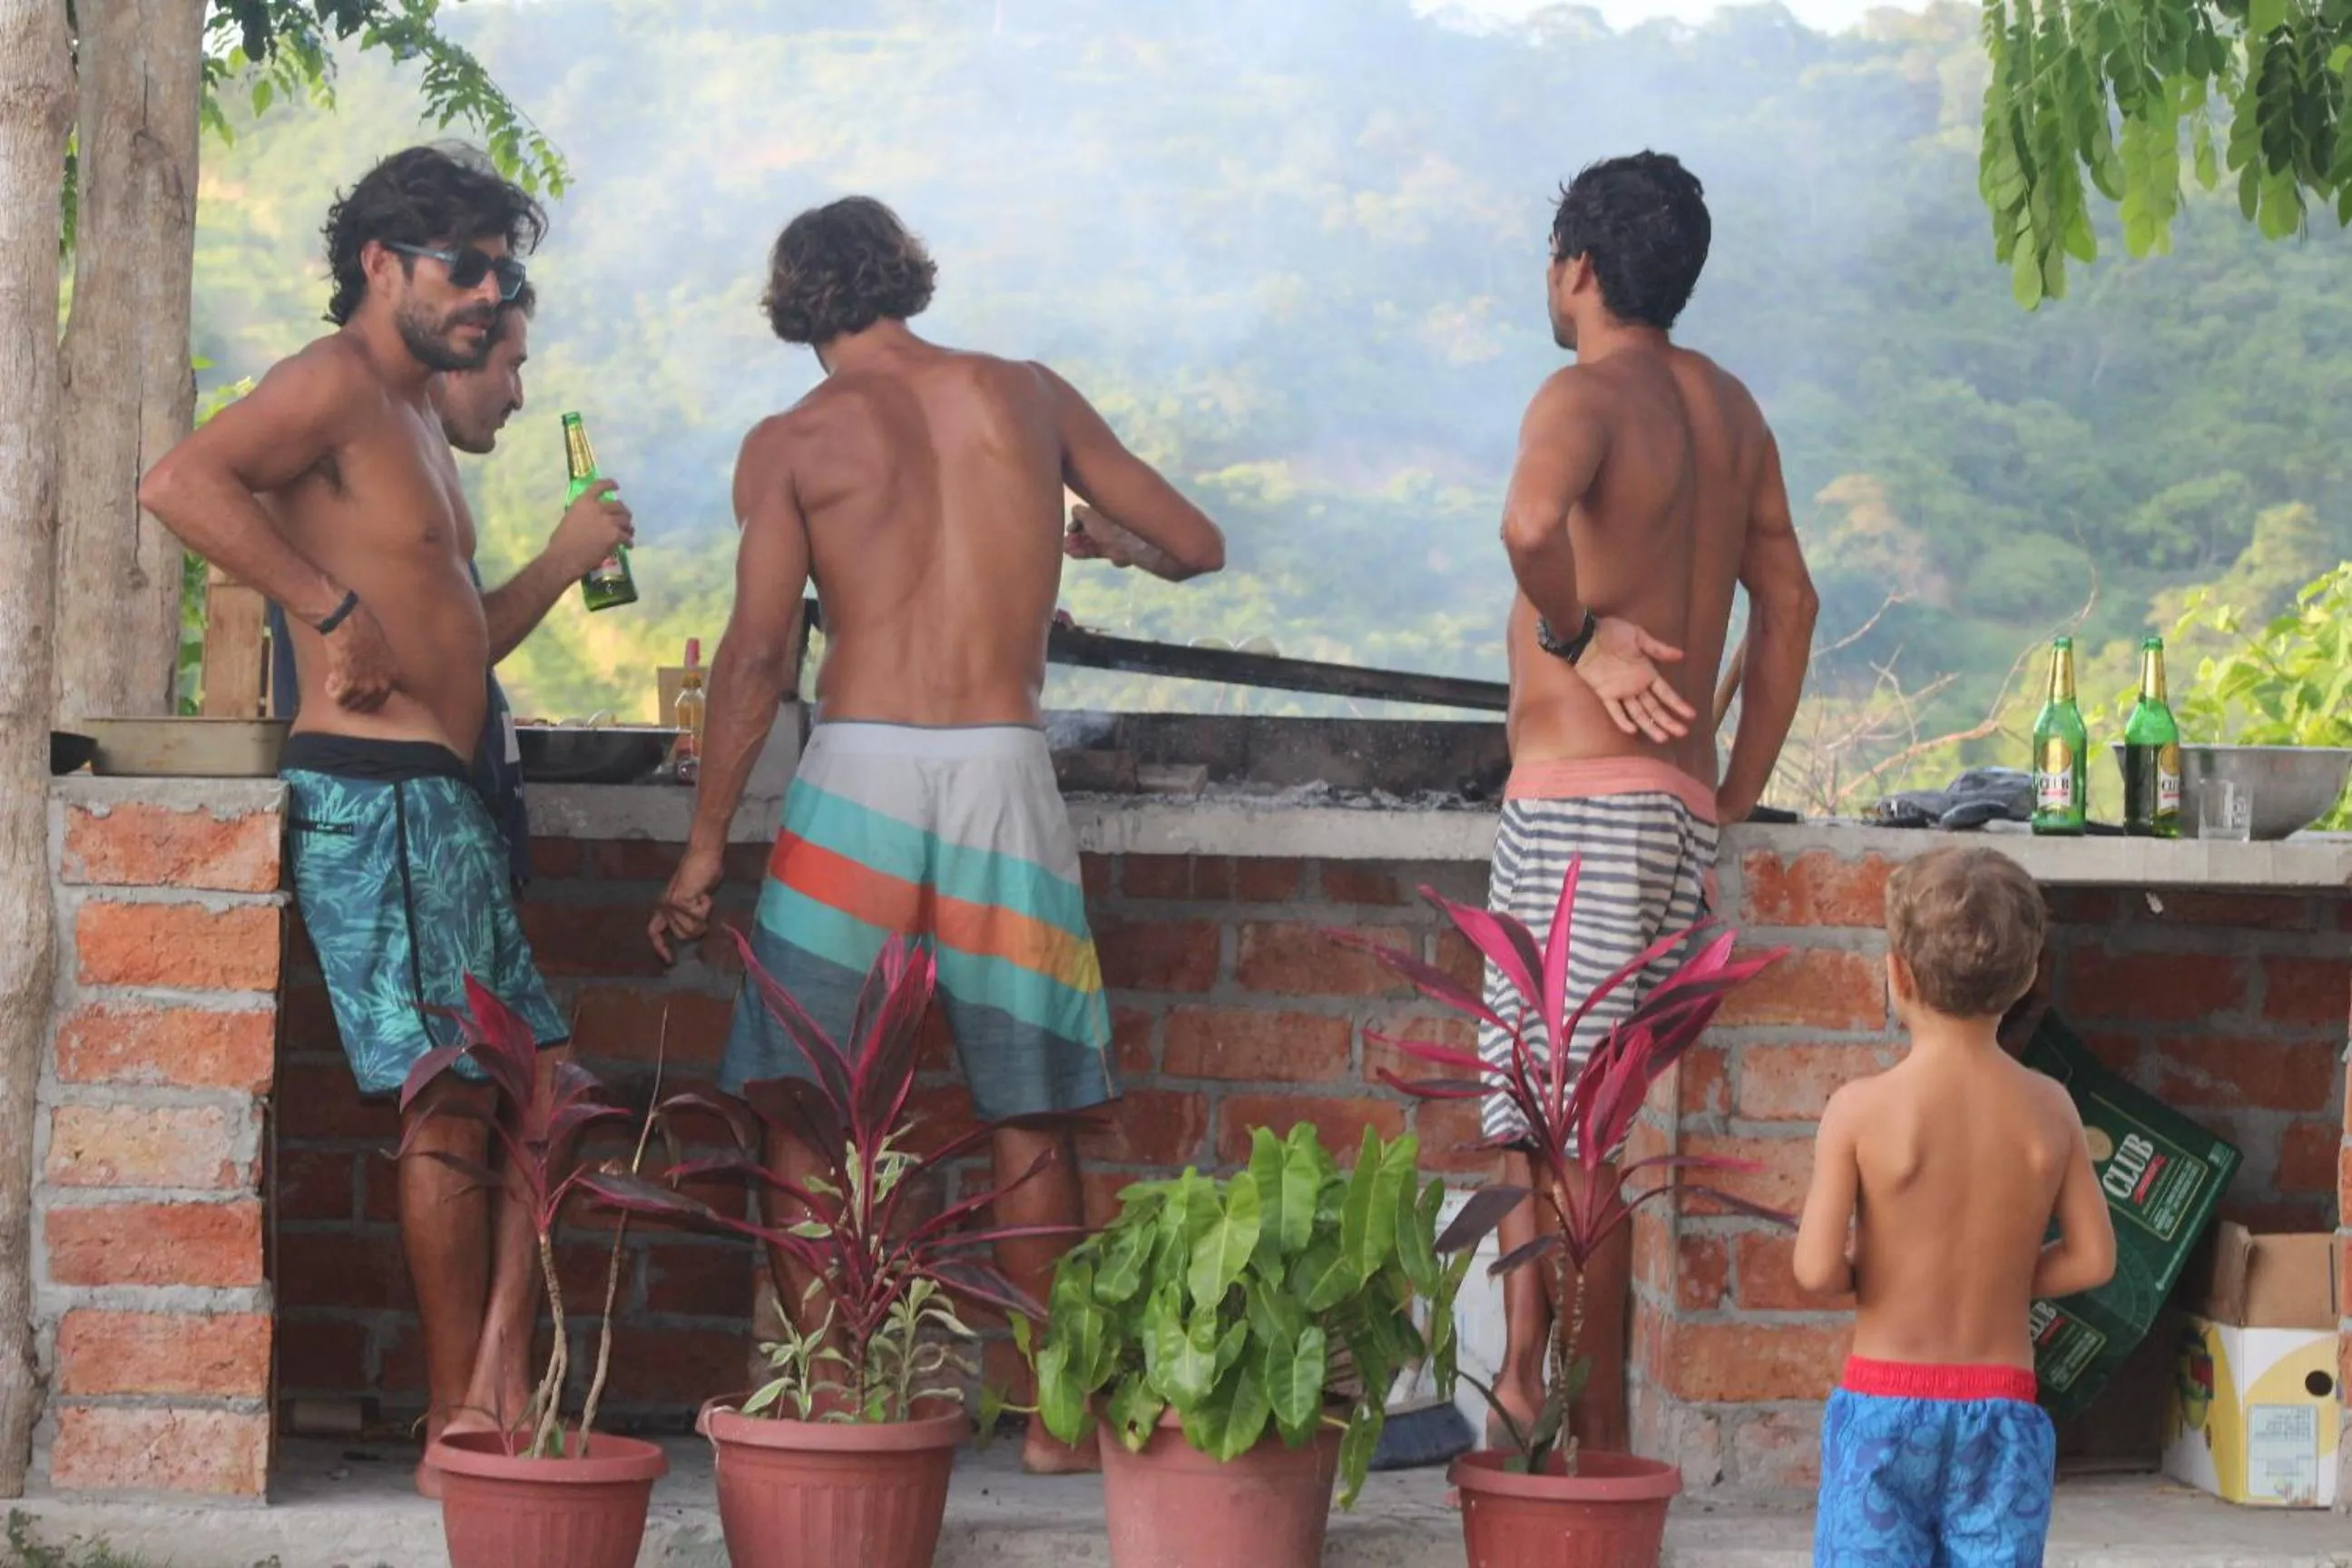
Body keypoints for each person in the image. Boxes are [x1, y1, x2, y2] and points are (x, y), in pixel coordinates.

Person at [645, 196, 1226, 1471]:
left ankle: (833, 1404)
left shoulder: (793, 441)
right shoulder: (1026, 395)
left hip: (859, 775)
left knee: (809, 1110)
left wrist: (704, 851)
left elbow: (755, 660)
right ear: (906, 279)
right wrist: (1110, 547)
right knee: (1031, 1109)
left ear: (794, 310)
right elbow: (1197, 543)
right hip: (1005, 773)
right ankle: (1058, 1422)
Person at [138, 144, 583, 1494]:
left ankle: (492, 1391)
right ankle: (464, 1424)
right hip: (376, 801)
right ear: (381, 262)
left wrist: (561, 565)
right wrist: (323, 612)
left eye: (501, 271)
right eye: (463, 266)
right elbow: (180, 483)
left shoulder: (412, 421)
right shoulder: (330, 383)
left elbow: (453, 636)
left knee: (543, 1090)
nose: (486, 293)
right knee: (453, 1104)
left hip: (440, 801)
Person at [1479, 151, 1819, 1451]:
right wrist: (1732, 786)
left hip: (1580, 814)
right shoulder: (1730, 412)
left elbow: (1527, 525)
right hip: (1666, 816)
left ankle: (1599, 1439)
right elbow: (1789, 604)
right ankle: (1524, 1378)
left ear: (1576, 266)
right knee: (1546, 1109)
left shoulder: (1586, 389)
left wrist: (1576, 639)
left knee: (1576, 1141)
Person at [1794, 847, 2114, 1565]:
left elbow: (1815, 1272)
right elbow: (2095, 1259)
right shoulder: (2050, 1109)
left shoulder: (1860, 1111)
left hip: (1883, 1408)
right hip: (2003, 1410)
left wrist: (1870, 1278)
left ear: (1898, 974)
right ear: (2028, 977)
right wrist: (2005, 1276)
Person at [264, 283, 637, 887]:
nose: (518, 394)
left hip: (444, 815)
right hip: (384, 811)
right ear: (458, 358)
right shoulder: (356, 437)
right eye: (511, 366)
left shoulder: (424, 476)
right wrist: (562, 560)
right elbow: (445, 656)